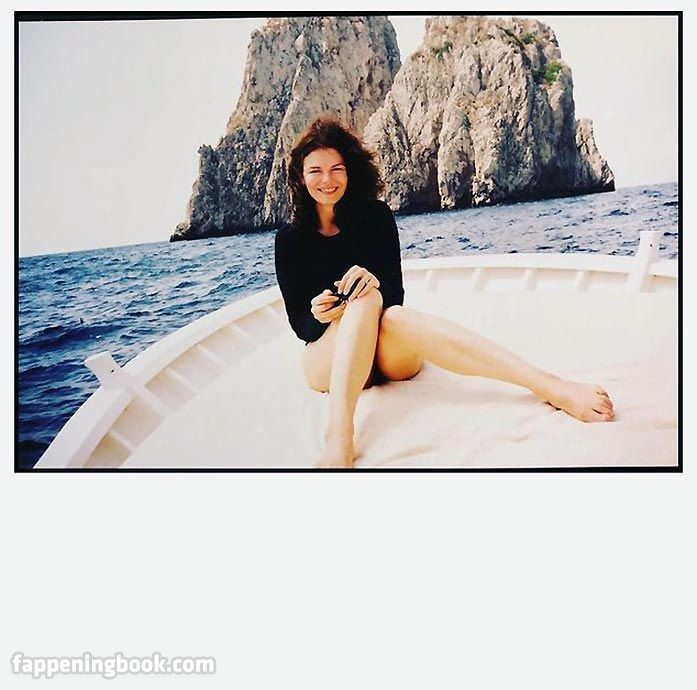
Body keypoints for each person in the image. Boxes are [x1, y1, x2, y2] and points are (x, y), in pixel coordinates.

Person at [274, 116, 615, 468]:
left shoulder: (375, 217)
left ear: (349, 171)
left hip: (385, 355)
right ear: (301, 176)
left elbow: (394, 295)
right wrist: (319, 313)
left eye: (337, 169)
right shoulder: (289, 240)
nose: (327, 180)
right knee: (363, 301)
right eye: (315, 171)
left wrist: (371, 285)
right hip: (328, 358)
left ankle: (548, 385)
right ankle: (339, 435)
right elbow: (301, 325)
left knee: (376, 301)